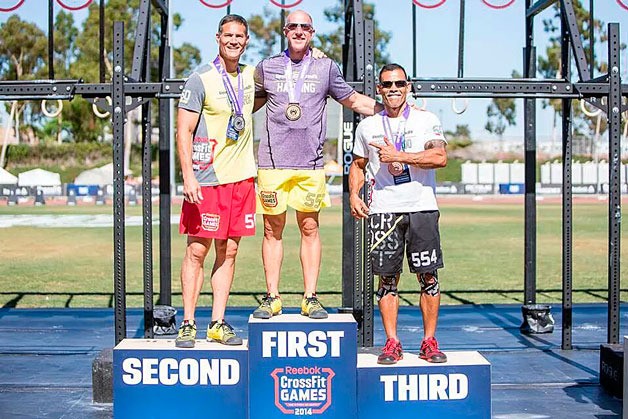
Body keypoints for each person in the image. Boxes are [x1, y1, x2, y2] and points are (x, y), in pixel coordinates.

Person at [252, 9, 383, 320]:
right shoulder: (267, 67)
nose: (299, 31)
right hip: (272, 162)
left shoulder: (325, 67)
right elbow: (247, 102)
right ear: (285, 31)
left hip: (310, 164)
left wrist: (393, 110)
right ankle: (272, 296)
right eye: (293, 26)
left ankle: (310, 297)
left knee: (310, 228)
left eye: (305, 27)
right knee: (272, 230)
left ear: (312, 32)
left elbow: (353, 100)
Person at [349, 63, 448, 364]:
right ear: (378, 89)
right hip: (385, 210)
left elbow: (440, 156)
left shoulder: (426, 119)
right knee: (387, 281)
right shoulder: (368, 126)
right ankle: (392, 342)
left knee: (428, 277)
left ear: (408, 86)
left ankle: (429, 341)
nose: (393, 89)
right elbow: (357, 165)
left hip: (421, 206)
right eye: (387, 84)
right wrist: (354, 194)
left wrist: (399, 156)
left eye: (399, 83)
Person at [175, 14, 256, 348]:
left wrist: (317, 55)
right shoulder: (201, 78)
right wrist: (188, 176)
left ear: (247, 40)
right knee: (197, 250)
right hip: (207, 180)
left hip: (242, 179)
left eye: (239, 36)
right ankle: (189, 322)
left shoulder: (252, 76)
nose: (234, 41)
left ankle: (217, 322)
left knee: (230, 250)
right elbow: (183, 131)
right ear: (218, 38)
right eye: (228, 35)